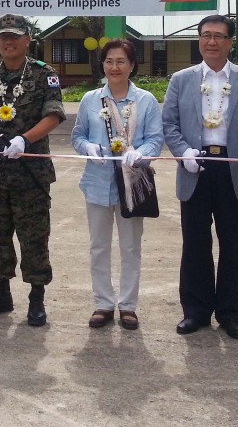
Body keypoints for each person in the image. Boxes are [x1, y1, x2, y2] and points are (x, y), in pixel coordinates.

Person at [162, 14, 238, 340]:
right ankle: (195, 312)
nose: (212, 42)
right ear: (199, 40)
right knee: (195, 243)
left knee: (233, 244)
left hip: (234, 168)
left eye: (219, 36)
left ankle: (231, 314)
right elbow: (169, 123)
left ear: (230, 42)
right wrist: (183, 152)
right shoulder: (181, 79)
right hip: (195, 167)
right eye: (206, 35)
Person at [0, 13, 65, 327]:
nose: (8, 41)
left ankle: (36, 299)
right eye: (3, 36)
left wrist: (25, 139)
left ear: (27, 39)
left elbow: (54, 114)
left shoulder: (42, 74)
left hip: (31, 174)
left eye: (14, 36)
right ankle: (1, 293)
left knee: (34, 236)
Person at [71, 39, 163, 331]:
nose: (115, 67)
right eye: (109, 61)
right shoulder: (90, 99)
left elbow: (155, 140)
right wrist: (89, 148)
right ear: (103, 65)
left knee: (130, 247)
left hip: (132, 185)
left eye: (121, 61)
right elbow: (77, 136)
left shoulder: (145, 100)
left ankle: (128, 306)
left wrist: (142, 154)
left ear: (132, 65)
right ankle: (103, 303)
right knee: (98, 246)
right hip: (97, 184)